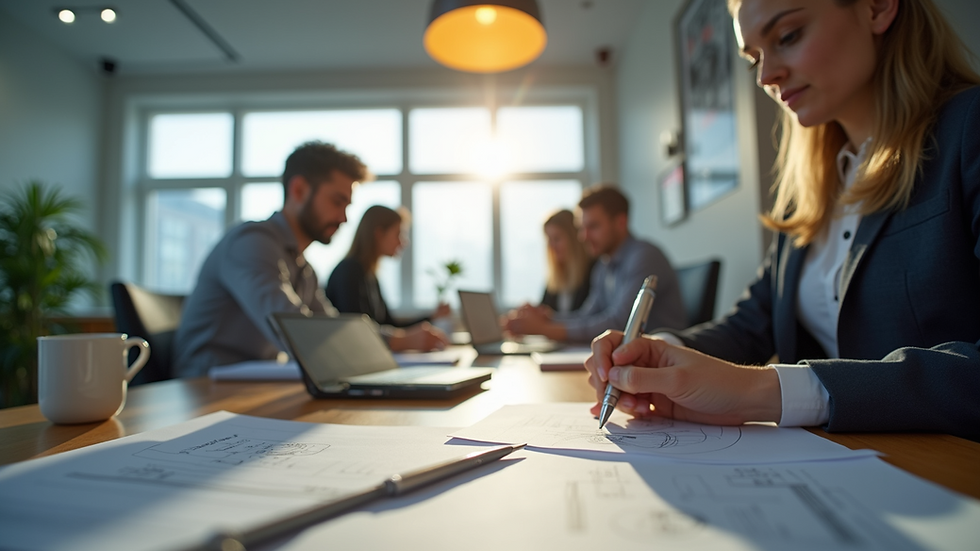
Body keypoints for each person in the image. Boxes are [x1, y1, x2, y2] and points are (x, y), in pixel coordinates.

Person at [585, 0, 980, 441]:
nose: (765, 76)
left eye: (788, 37)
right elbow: (752, 324)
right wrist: (657, 353)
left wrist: (765, 392)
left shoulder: (969, 129)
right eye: (754, 58)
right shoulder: (808, 194)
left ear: (877, 7)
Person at [174, 142, 447, 378]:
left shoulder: (304, 270)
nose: (344, 218)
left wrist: (397, 339)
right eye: (337, 202)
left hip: (256, 382)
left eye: (347, 206)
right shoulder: (251, 243)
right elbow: (300, 335)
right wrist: (398, 341)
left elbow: (334, 329)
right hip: (203, 387)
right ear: (299, 190)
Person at [504, 184, 687, 343]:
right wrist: (549, 318)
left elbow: (621, 324)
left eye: (593, 227)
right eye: (582, 228)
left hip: (662, 361)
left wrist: (544, 329)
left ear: (620, 222)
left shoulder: (644, 257)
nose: (584, 237)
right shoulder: (603, 267)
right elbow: (587, 316)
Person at [325, 205, 450, 327]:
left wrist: (432, 317)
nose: (404, 242)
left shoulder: (369, 275)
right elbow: (360, 329)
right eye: (398, 234)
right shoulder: (349, 271)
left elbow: (390, 325)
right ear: (379, 234)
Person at [539, 209, 594, 314]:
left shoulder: (594, 272)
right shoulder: (554, 280)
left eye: (557, 239)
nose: (552, 246)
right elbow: (543, 309)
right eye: (549, 240)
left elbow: (587, 318)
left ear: (574, 238)